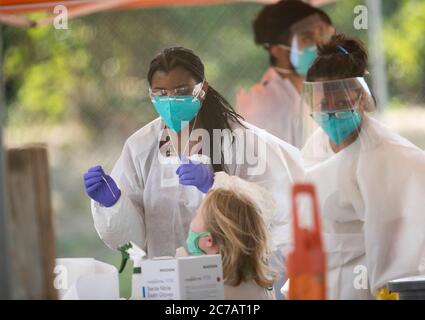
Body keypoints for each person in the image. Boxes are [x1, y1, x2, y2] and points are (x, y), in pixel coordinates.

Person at [83, 47, 304, 261]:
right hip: (164, 281)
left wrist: (217, 187)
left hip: (230, 279)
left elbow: (273, 212)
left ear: (203, 89)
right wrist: (114, 206)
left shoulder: (239, 140)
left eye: (181, 92)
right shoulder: (140, 147)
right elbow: (132, 245)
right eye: (161, 93)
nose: (171, 101)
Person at [299, 33, 425, 299]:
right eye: (324, 104)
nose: (331, 112)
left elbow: (390, 243)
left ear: (361, 100)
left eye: (342, 103)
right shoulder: (316, 144)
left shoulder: (385, 157)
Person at [236, 0, 334, 148]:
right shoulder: (264, 106)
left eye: (323, 35)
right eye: (307, 38)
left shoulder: (316, 93)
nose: (320, 45)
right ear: (277, 49)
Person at [186, 172, 278, 300]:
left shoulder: (209, 290)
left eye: (197, 214)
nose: (194, 216)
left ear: (209, 240)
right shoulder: (260, 283)